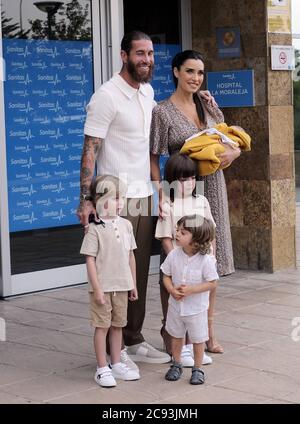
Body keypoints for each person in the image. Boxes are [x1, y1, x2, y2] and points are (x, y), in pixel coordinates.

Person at [77, 30, 170, 367]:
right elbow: (90, 149)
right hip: (114, 201)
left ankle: (132, 339)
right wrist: (87, 200)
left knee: (138, 273)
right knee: (114, 276)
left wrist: (159, 192)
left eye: (150, 53)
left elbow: (148, 151)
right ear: (123, 55)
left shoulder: (147, 93)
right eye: (140, 53)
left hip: (143, 196)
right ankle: (114, 352)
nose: (147, 59)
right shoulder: (106, 96)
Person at [150, 50, 242, 355]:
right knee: (176, 261)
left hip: (213, 188)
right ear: (176, 72)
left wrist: (235, 153)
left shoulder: (207, 104)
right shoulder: (162, 111)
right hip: (181, 189)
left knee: (207, 263)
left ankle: (206, 333)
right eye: (190, 71)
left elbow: (229, 140)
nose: (195, 78)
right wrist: (160, 193)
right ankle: (171, 332)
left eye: (200, 73)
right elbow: (153, 156)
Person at [155, 152, 215, 367]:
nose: (189, 183)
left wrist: (211, 258)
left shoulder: (202, 201)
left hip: (200, 266)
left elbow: (210, 232)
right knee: (177, 308)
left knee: (197, 307)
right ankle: (179, 351)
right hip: (177, 267)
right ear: (172, 179)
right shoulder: (168, 205)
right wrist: (176, 262)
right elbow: (165, 238)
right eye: (183, 179)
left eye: (191, 178)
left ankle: (194, 346)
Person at [80, 175, 140, 388]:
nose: (121, 202)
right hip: (103, 288)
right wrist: (97, 289)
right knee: (102, 326)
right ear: (100, 200)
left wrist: (132, 284)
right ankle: (102, 368)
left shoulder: (126, 225)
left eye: (121, 197)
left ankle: (116, 364)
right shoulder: (94, 228)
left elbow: (130, 256)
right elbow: (90, 259)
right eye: (115, 198)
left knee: (117, 326)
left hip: (122, 287)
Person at [161, 215, 218, 385]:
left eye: (183, 232)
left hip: (196, 308)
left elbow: (212, 282)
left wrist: (192, 290)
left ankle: (197, 368)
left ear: (196, 240)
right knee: (176, 336)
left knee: (198, 339)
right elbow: (166, 275)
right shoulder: (173, 255)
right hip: (176, 307)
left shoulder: (205, 260)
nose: (177, 234)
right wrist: (171, 290)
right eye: (177, 230)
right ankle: (176, 363)